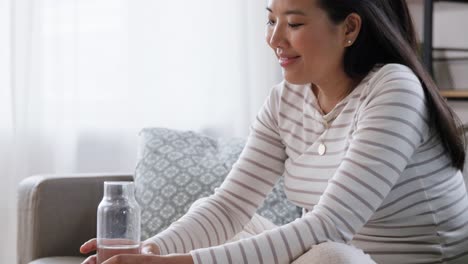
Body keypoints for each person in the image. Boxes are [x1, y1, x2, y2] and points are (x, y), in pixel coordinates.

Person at [81, 0, 468, 263]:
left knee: (330, 255)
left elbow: (329, 225)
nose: (274, 39)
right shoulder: (286, 99)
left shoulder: (394, 88)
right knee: (219, 217)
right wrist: (149, 251)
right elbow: (230, 205)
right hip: (327, 252)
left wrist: (182, 262)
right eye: (271, 20)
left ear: (349, 28)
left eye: (294, 24)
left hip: (376, 258)